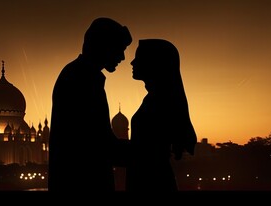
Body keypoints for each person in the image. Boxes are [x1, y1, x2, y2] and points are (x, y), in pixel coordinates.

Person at [48, 17, 132, 191]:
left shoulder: (78, 74)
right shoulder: (83, 79)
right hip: (83, 183)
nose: (122, 57)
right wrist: (149, 152)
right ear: (104, 45)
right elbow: (98, 145)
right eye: (119, 49)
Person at [126, 39, 197, 192]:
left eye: (139, 58)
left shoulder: (159, 101)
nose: (132, 62)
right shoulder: (157, 99)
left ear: (154, 63)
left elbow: (146, 151)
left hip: (151, 180)